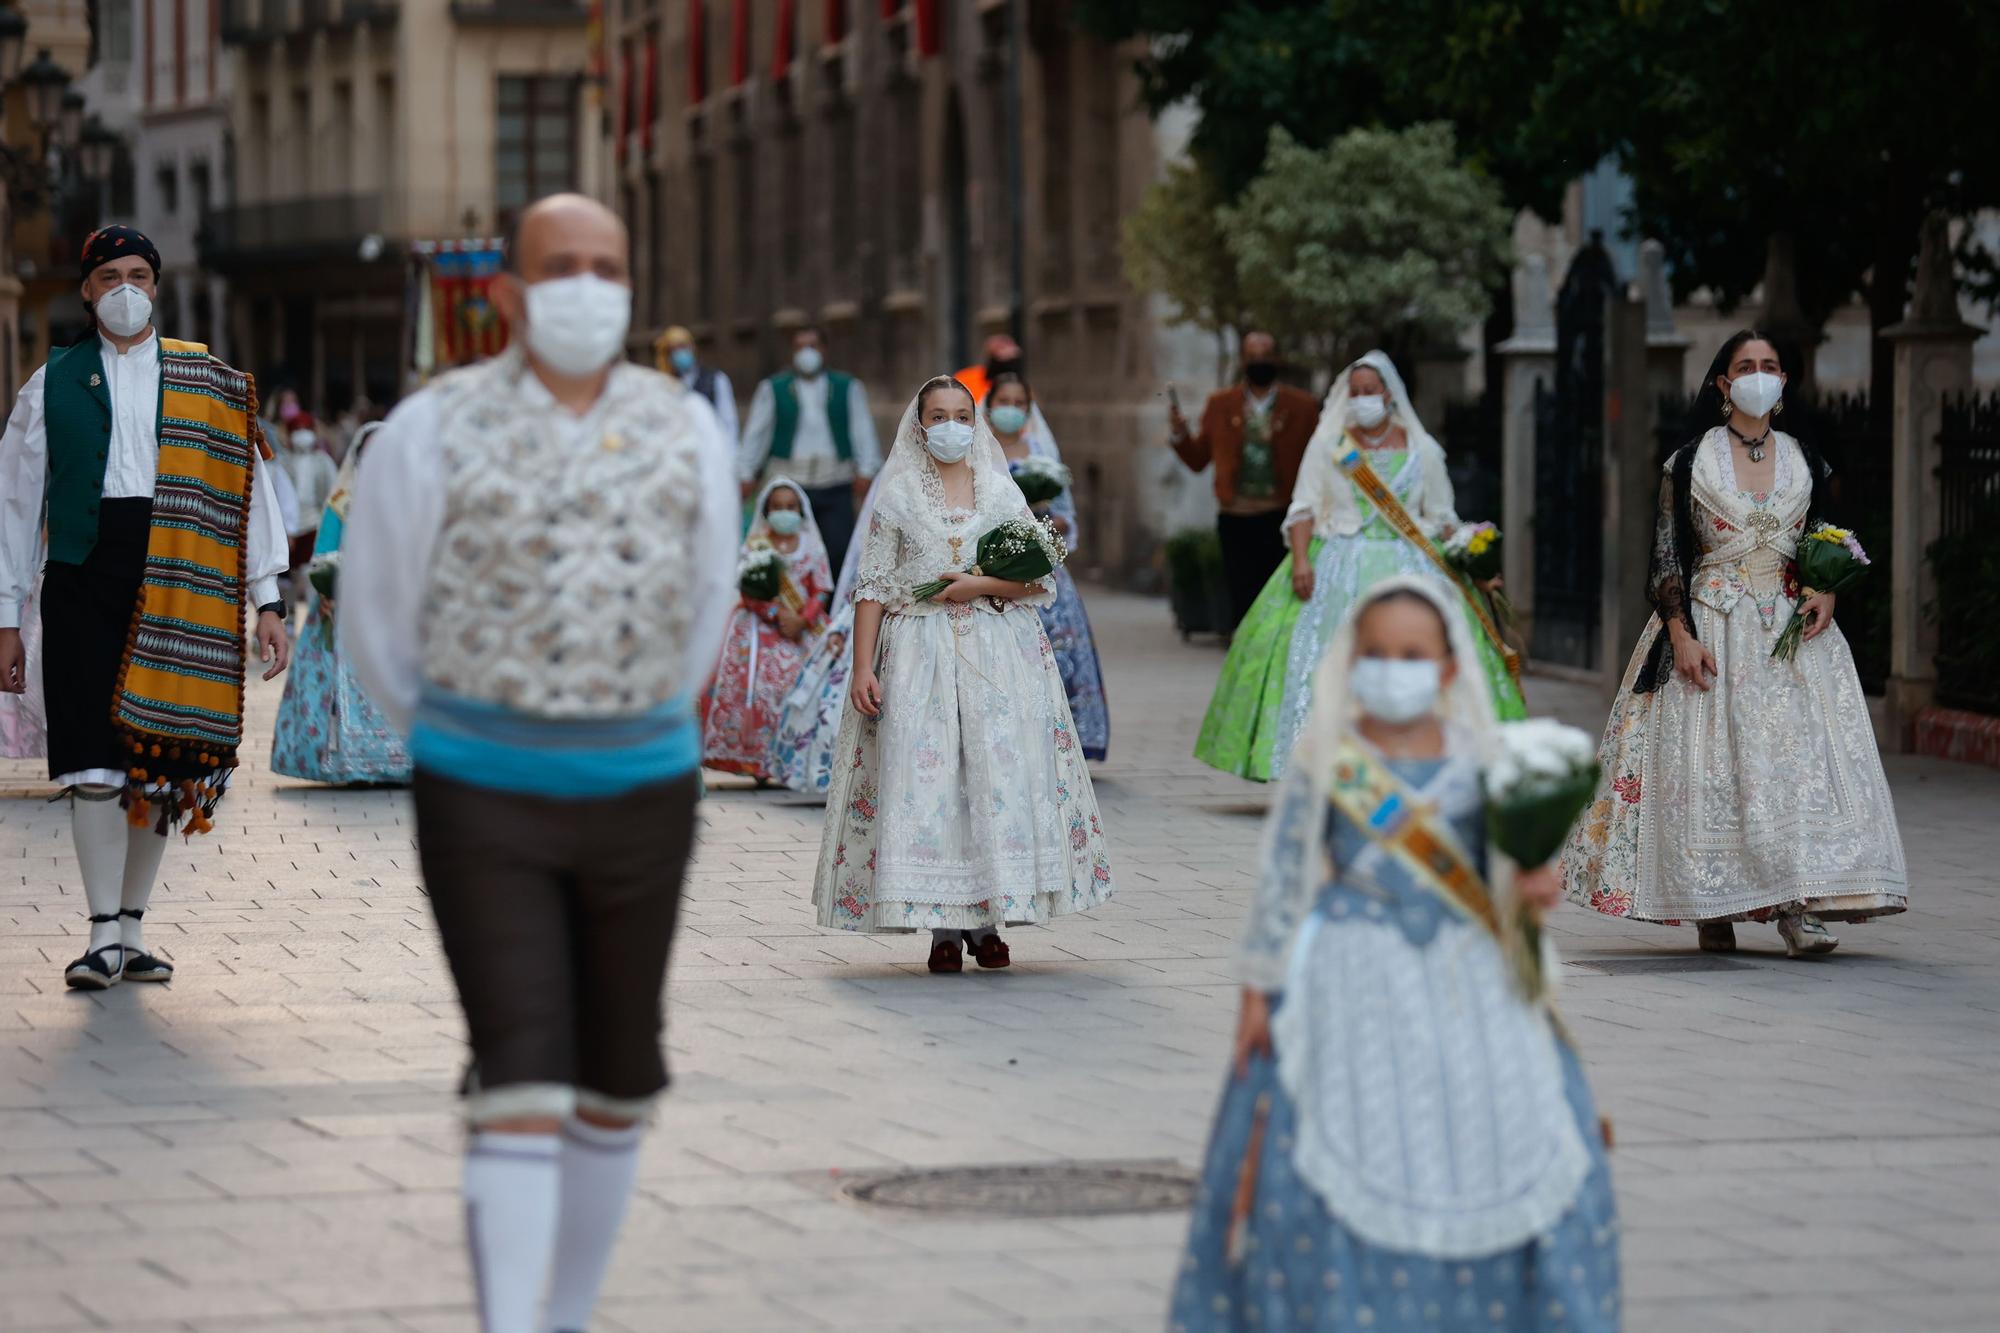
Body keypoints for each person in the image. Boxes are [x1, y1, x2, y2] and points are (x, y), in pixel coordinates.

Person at [340, 194, 737, 1333]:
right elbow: (377, 612)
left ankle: (563, 1313)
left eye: (606, 266)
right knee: (518, 1065)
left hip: (642, 794)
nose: (586, 285)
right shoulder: (433, 426)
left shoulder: (686, 427)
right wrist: (458, 734)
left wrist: (636, 705)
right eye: (560, 265)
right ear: (509, 293)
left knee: (618, 1076)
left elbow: (707, 599)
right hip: (485, 796)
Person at [1169, 578, 1620, 1333]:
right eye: (1376, 652)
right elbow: (1285, 876)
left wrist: (1533, 881)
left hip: (1466, 977)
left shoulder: (1481, 760)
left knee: (1520, 1133)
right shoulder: (1331, 760)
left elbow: (1502, 872)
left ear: (1447, 668)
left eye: (1412, 654)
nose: (1392, 667)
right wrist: (1259, 990)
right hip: (1351, 972)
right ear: (1352, 661)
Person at [0, 224, 292, 990]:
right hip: (80, 577)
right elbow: (14, 502)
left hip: (178, 575)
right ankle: (100, 934)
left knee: (161, 764)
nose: (126, 289)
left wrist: (268, 599)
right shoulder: (50, 382)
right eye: (110, 276)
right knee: (93, 762)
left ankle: (132, 928)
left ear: (155, 286)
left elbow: (250, 492)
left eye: (139, 274)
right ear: (88, 289)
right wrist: (6, 618)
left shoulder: (209, 380)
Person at [1562, 330, 1907, 957]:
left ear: (1784, 382)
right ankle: (1709, 905)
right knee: (1712, 773)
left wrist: (1826, 590)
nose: (1758, 374)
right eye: (1745, 366)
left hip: (1791, 633)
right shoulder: (1689, 461)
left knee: (1796, 769)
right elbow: (1666, 555)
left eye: (1770, 365)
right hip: (1712, 625)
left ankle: (1799, 909)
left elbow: (1826, 536)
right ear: (1723, 384)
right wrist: (1680, 635)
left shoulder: (1807, 457)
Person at [813, 375, 1114, 972]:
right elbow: (872, 585)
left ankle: (987, 920)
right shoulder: (898, 495)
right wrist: (861, 668)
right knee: (931, 784)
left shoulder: (1000, 490)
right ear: (919, 425)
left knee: (991, 780)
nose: (951, 425)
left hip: (996, 656)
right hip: (920, 657)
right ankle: (944, 929)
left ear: (973, 424)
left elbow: (1037, 578)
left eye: (961, 414)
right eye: (938, 415)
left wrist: (978, 584)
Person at [1195, 352, 1523, 784]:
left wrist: (1474, 564)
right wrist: (1298, 561)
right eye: (1356, 393)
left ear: (1389, 394)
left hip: (1413, 566)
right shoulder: (1331, 446)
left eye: (1371, 392)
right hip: (1338, 561)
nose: (1364, 399)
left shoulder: (1422, 450)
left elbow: (1442, 519)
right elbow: (1303, 509)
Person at [269, 423, 411, 785]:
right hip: (347, 609)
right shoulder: (343, 504)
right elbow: (324, 555)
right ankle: (351, 760)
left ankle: (402, 760)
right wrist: (332, 588)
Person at [988, 373, 1110, 760]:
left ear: (1028, 409)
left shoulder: (1039, 451)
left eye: (1018, 402)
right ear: (989, 406)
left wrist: (1043, 524)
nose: (1010, 408)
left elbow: (1063, 515)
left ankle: (1062, 737)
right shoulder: (980, 451)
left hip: (1038, 564)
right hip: (991, 565)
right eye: (1002, 400)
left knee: (1058, 646)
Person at [1170, 331, 1320, 630]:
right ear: (1242, 361)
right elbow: (1199, 460)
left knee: (1279, 593)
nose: (1259, 362)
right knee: (1241, 595)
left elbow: (1316, 463)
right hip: (1236, 516)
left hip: (1281, 516)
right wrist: (1180, 435)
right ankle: (1242, 653)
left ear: (1277, 359)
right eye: (1252, 357)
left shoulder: (1302, 406)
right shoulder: (1220, 404)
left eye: (1265, 355)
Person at [698, 477, 832, 781]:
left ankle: (790, 763)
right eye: (777, 507)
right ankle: (756, 762)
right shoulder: (757, 545)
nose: (784, 512)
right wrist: (774, 613)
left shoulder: (811, 546)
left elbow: (821, 589)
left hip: (804, 626)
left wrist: (802, 619)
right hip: (759, 627)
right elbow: (748, 592)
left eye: (790, 507)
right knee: (759, 687)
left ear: (800, 510)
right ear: (766, 510)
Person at [738, 325, 882, 574]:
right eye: (800, 347)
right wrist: (746, 472)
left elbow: (862, 429)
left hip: (835, 480)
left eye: (812, 346)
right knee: (787, 549)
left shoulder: (847, 387)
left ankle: (829, 609)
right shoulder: (774, 388)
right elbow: (757, 434)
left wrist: (866, 469)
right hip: (790, 483)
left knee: (837, 548)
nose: (807, 353)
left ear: (824, 350)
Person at [281, 415, 338, 612]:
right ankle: (287, 616)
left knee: (309, 573)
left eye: (306, 429)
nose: (302, 434)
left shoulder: (323, 462)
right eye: (297, 429)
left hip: (313, 522)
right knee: (285, 575)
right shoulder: (283, 461)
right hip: (287, 526)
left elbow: (331, 493)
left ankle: (311, 617)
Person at [655, 324, 738, 444]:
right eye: (673, 350)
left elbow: (728, 422)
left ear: (692, 347)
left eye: (682, 346)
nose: (679, 353)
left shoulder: (716, 379)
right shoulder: (663, 385)